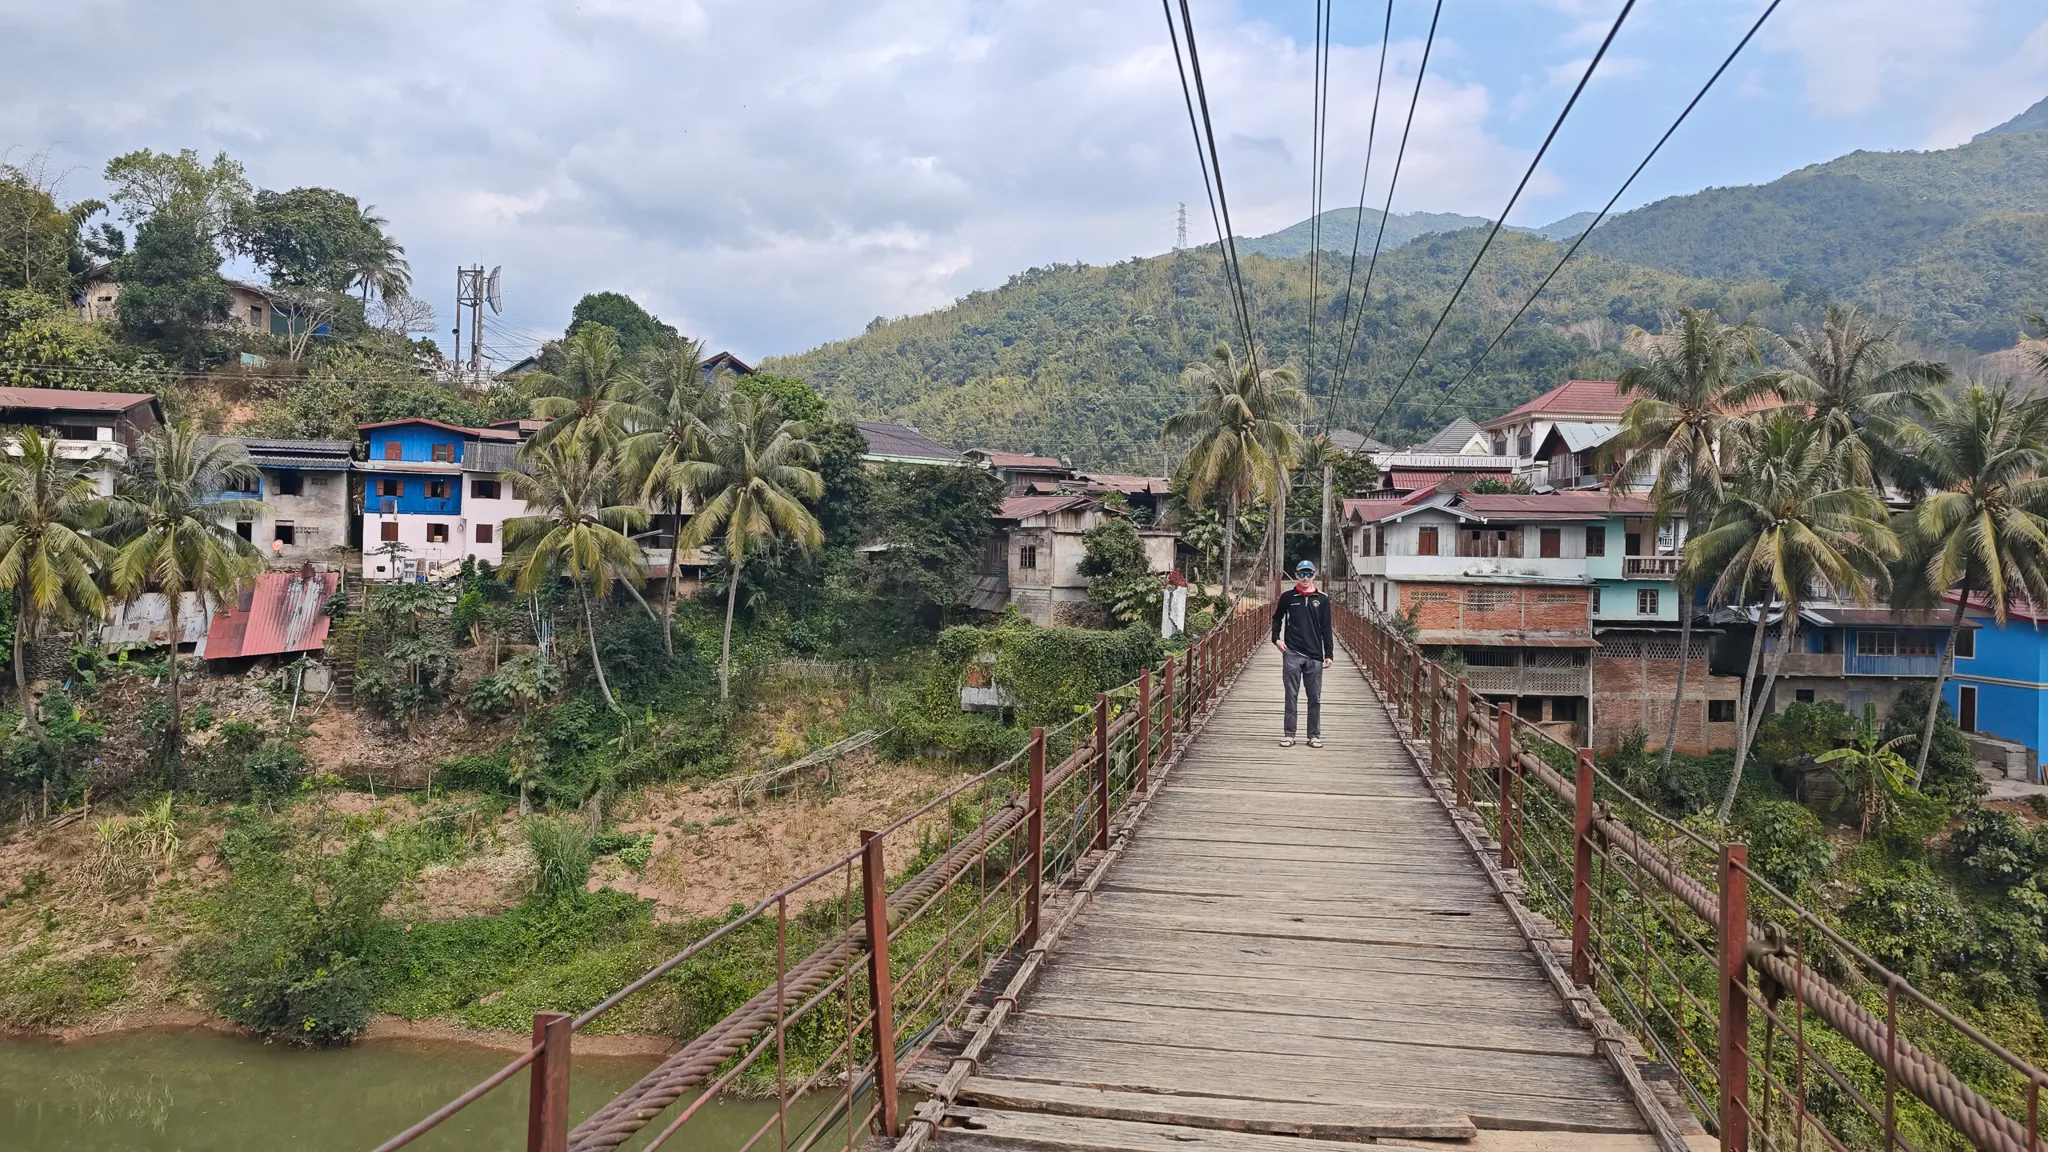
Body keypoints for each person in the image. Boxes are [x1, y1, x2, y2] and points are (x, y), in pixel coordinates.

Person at [1270, 559, 1333, 748]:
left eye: (1309, 574)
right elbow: (1277, 618)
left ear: (1314, 575)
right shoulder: (1288, 597)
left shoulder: (1322, 599)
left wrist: (1328, 654)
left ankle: (1314, 735)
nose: (1305, 577)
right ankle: (1289, 734)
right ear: (1296, 575)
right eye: (1302, 574)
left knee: (1315, 697)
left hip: (1315, 655)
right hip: (1292, 653)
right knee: (1291, 695)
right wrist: (1276, 639)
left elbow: (1326, 628)